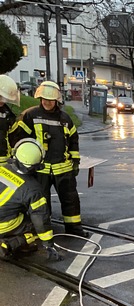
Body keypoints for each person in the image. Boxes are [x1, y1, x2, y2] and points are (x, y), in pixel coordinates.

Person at [9, 80, 86, 236]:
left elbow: (73, 140)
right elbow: (16, 137)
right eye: (44, 99)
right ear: (40, 98)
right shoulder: (30, 115)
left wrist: (75, 161)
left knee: (70, 199)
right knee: (41, 202)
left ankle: (74, 229)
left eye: (50, 100)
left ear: (56, 100)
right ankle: (43, 230)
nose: (47, 102)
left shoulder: (65, 118)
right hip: (40, 169)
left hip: (63, 168)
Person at [0, 138, 62, 261]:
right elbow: (40, 218)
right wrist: (48, 245)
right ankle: (7, 245)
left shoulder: (2, 168)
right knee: (34, 230)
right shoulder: (33, 189)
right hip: (3, 224)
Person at [0, 74, 20, 164]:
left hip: (5, 161)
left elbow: (14, 138)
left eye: (5, 98)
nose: (2, 101)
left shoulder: (9, 115)